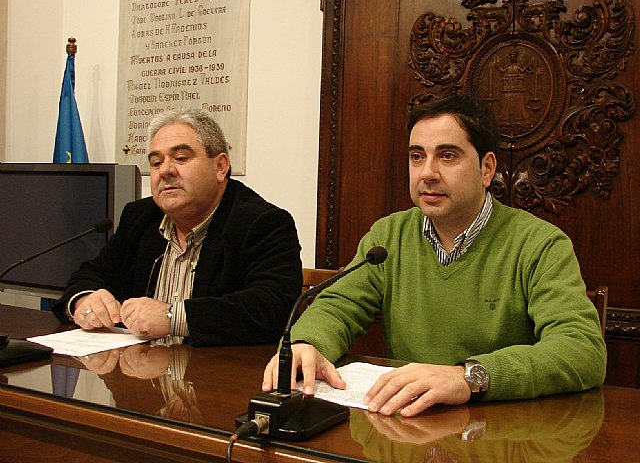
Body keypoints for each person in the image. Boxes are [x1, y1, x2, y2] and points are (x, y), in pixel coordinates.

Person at [262, 94, 606, 417]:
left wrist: (467, 377)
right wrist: (307, 343)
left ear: (487, 168)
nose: (427, 173)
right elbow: (338, 306)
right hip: (407, 425)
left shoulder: (539, 244)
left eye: (448, 156)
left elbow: (581, 350)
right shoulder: (389, 236)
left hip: (500, 431)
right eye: (417, 156)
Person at [53, 108, 303, 346]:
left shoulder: (262, 223)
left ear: (220, 166)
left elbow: (273, 307)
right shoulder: (139, 217)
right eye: (156, 162)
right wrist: (84, 299)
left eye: (181, 158)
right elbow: (93, 273)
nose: (165, 170)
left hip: (214, 372)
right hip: (140, 369)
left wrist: (174, 317)